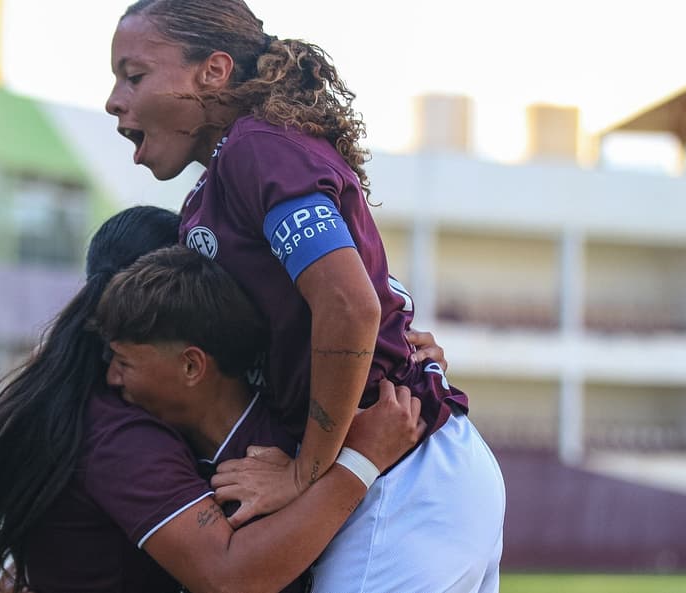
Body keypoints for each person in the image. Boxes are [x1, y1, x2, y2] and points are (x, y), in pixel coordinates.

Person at [105, 1, 505, 591]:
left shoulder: (256, 148)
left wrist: (306, 471)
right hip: (401, 479)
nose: (115, 99)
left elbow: (349, 306)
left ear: (213, 71)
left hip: (404, 477)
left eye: (133, 75)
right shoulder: (209, 193)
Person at [0, 205, 430, 593]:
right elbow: (228, 576)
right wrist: (358, 464)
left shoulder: (138, 409)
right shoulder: (121, 433)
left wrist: (401, 358)